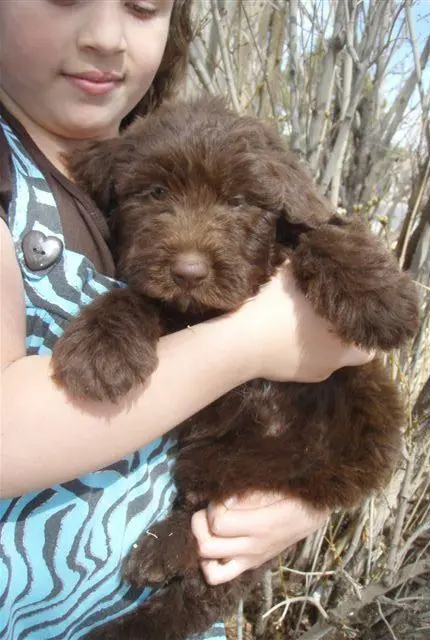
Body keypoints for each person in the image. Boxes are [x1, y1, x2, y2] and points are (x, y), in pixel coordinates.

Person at [0, 1, 373, 638]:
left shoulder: (180, 144)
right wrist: (245, 345)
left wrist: (299, 493)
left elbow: (354, 333)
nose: (106, 38)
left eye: (144, 7)